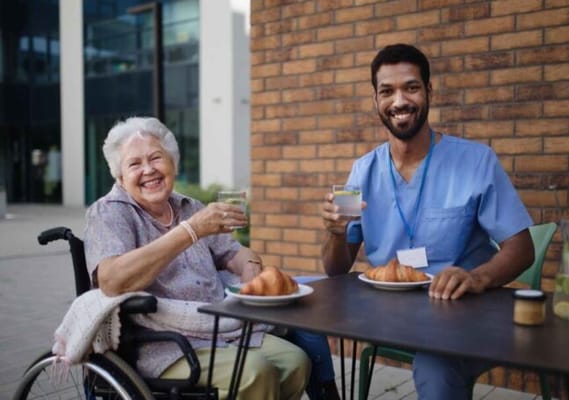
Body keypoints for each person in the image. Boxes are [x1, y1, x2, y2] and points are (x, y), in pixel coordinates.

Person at [321, 44, 535, 400]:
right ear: (375, 100)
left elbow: (522, 248)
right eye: (387, 91)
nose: (399, 101)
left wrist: (477, 277)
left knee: (435, 367)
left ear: (429, 92)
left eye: (411, 87)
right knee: (306, 329)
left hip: (463, 311)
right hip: (391, 315)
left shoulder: (476, 160)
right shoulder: (362, 171)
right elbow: (336, 268)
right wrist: (335, 233)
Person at [84, 116, 310, 400]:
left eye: (156, 158)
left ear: (173, 164)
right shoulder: (110, 212)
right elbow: (112, 280)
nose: (148, 170)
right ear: (120, 176)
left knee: (296, 361)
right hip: (162, 344)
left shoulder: (189, 207)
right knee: (255, 372)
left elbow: (235, 252)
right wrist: (190, 231)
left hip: (219, 327)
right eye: (134, 164)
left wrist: (251, 268)